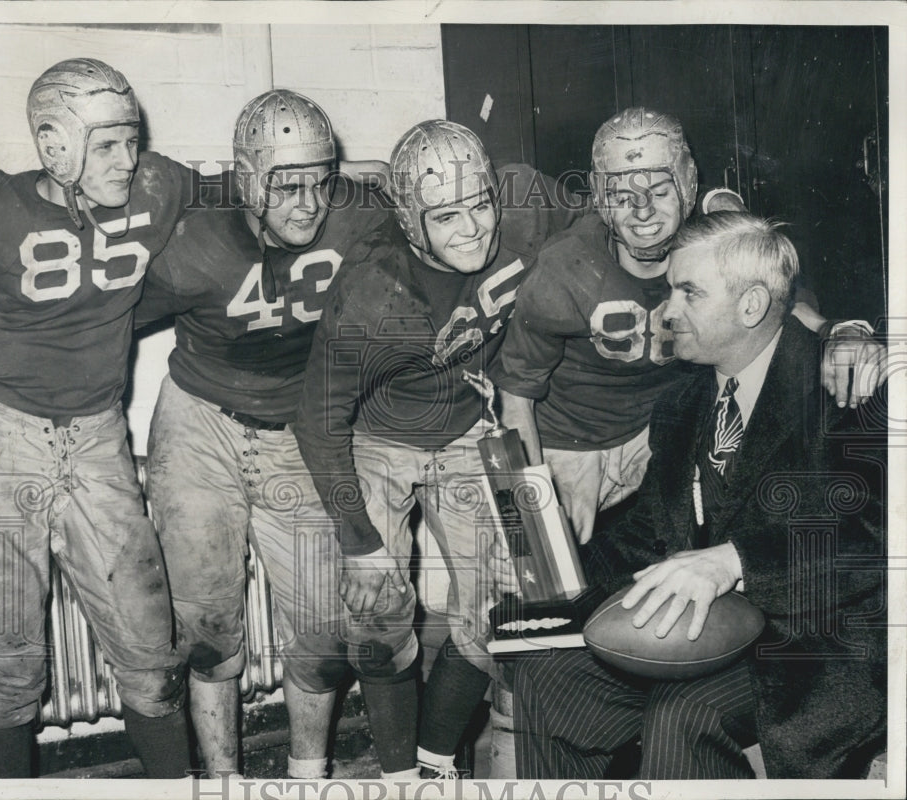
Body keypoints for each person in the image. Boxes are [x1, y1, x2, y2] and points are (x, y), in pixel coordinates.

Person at [513, 212, 886, 779]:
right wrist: (549, 586)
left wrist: (732, 561)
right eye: (668, 290)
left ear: (752, 306)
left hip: (812, 644)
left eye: (688, 292)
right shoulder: (681, 402)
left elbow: (870, 541)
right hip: (707, 630)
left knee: (681, 715)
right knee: (548, 679)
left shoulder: (841, 388)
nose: (666, 311)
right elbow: (651, 532)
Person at [294, 120, 587, 778]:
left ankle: (434, 763)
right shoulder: (371, 291)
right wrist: (359, 541)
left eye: (480, 205)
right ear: (407, 220)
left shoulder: (525, 202)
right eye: (446, 216)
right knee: (375, 612)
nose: (473, 229)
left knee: (514, 602)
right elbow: (317, 419)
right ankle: (399, 774)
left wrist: (716, 208)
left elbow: (613, 219)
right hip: (378, 438)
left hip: (473, 421)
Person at [0, 58, 195, 778]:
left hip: (98, 437)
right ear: (57, 144)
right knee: (7, 663)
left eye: (131, 139)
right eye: (107, 144)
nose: (128, 159)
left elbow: (221, 235)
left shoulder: (160, 187)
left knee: (150, 654)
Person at [133, 89, 391, 779]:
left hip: (301, 431)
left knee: (321, 630)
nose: (308, 201)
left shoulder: (361, 215)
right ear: (246, 178)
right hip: (200, 428)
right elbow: (100, 318)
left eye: (319, 179)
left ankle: (310, 776)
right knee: (207, 628)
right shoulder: (194, 238)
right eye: (285, 183)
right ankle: (223, 782)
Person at [492, 107, 886, 546]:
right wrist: (527, 498)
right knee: (541, 569)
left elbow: (775, 302)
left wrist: (841, 334)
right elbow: (515, 397)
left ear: (685, 188)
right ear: (602, 200)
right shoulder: (564, 267)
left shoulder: (709, 244)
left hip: (658, 433)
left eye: (659, 192)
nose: (642, 212)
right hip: (571, 437)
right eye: (623, 196)